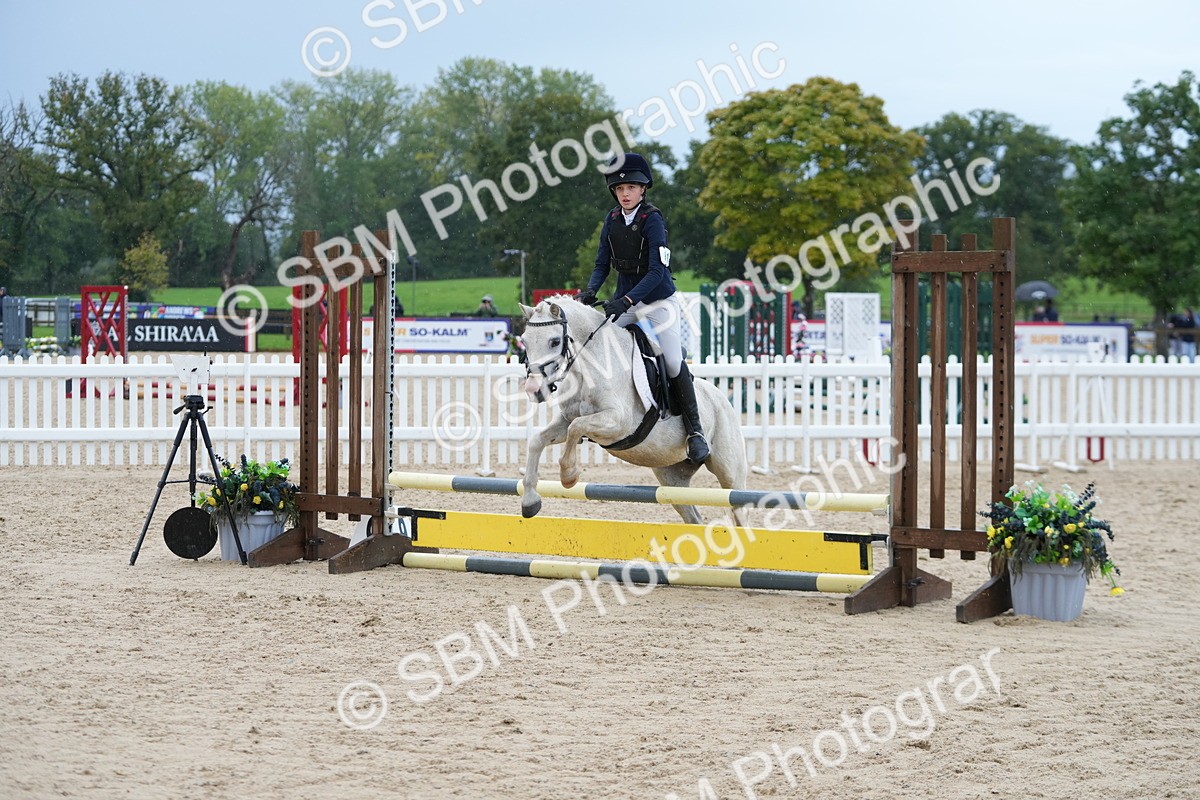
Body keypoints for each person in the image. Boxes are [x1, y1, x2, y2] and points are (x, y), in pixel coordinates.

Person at [577, 152, 709, 464]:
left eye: (631, 188)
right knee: (597, 345)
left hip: (658, 301)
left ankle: (695, 431)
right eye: (620, 189)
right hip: (627, 300)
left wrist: (625, 300)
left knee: (674, 361)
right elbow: (601, 264)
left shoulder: (653, 220)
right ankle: (589, 410)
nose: (625, 193)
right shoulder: (611, 221)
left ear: (643, 190)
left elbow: (655, 273)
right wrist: (591, 290)